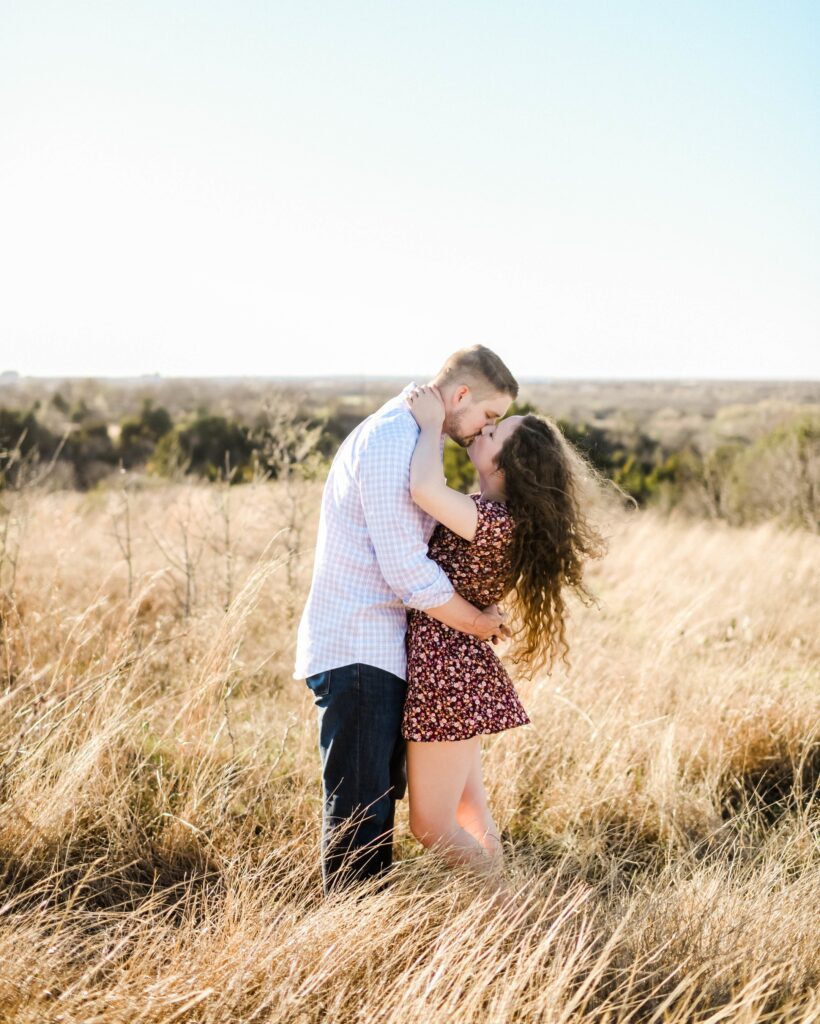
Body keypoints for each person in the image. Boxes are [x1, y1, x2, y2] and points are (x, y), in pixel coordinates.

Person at [294, 345, 519, 895]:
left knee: (373, 808)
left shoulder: (416, 437)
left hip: (384, 650)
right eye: (488, 416)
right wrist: (477, 623)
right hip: (360, 646)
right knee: (360, 817)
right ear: (461, 396)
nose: (483, 430)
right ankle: (352, 945)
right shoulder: (396, 438)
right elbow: (407, 571)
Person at [401, 383, 607, 898]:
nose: (485, 427)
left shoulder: (493, 522)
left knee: (430, 825)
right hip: (456, 667)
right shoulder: (490, 517)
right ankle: (502, 918)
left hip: (446, 675)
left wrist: (430, 424)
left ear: (508, 468)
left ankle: (515, 913)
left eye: (496, 431)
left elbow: (424, 488)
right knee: (470, 812)